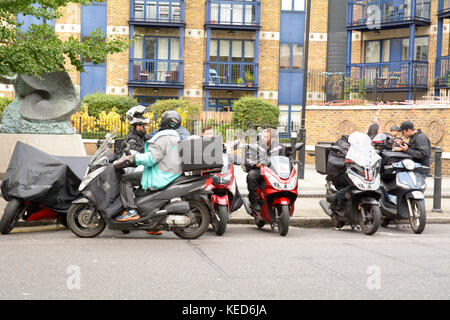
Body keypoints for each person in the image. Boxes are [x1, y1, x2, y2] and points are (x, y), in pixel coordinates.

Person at [114, 110, 183, 224]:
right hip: (169, 173)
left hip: (160, 174)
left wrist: (134, 158)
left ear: (164, 122)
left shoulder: (163, 137)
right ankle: (152, 224)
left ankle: (131, 211)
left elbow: (152, 158)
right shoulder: (175, 136)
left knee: (125, 179)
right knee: (139, 191)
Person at [245, 128, 285, 211]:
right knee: (251, 176)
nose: (263, 138)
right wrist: (256, 164)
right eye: (262, 136)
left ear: (272, 138)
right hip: (260, 170)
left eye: (266, 137)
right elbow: (247, 159)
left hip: (273, 171)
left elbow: (284, 159)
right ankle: (254, 201)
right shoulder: (255, 146)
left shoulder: (280, 147)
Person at [325, 134, 351, 210]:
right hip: (337, 174)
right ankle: (336, 197)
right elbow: (346, 153)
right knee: (354, 185)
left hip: (343, 171)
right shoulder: (343, 144)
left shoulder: (346, 143)